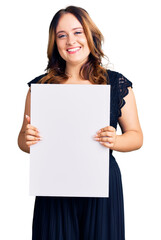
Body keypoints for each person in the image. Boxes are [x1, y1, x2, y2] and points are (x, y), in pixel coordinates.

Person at [17, 5, 143, 240]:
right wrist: (27, 139)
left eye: (78, 32)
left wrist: (114, 140)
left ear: (90, 35)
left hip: (102, 185)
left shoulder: (115, 83)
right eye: (61, 35)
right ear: (54, 43)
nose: (70, 41)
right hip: (53, 183)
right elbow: (24, 141)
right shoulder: (41, 88)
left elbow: (136, 136)